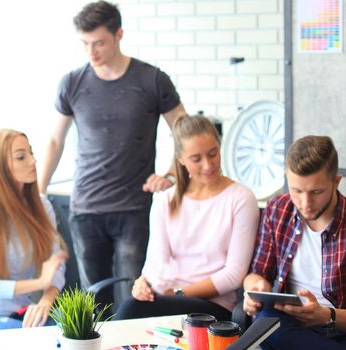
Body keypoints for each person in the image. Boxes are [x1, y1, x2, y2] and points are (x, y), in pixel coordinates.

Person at [38, 0, 187, 310]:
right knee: (95, 302)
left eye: (99, 43)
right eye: (85, 44)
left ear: (119, 34)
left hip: (134, 208)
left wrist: (171, 174)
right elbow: (55, 140)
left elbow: (185, 132)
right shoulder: (72, 82)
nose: (91, 52)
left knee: (134, 298)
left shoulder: (152, 80)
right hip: (86, 209)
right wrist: (39, 191)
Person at [114, 115, 259, 321]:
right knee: (133, 306)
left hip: (214, 306)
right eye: (196, 159)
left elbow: (234, 274)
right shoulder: (165, 200)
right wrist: (142, 283)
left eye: (213, 154)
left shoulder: (241, 198)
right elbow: (156, 262)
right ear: (180, 159)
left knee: (131, 310)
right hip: (167, 297)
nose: (208, 165)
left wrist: (178, 293)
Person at [243, 135, 346, 349]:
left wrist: (326, 315)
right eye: (297, 191)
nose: (305, 204)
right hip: (289, 324)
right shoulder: (278, 209)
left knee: (268, 333)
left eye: (316, 192)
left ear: (336, 182)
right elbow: (257, 273)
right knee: (266, 321)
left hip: (337, 328)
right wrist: (254, 288)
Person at [0, 129, 68, 331]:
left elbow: (55, 263)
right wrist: (40, 282)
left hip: (24, 313)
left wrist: (45, 302)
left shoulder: (41, 205)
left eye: (31, 153)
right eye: (21, 157)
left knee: (70, 335)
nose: (33, 161)